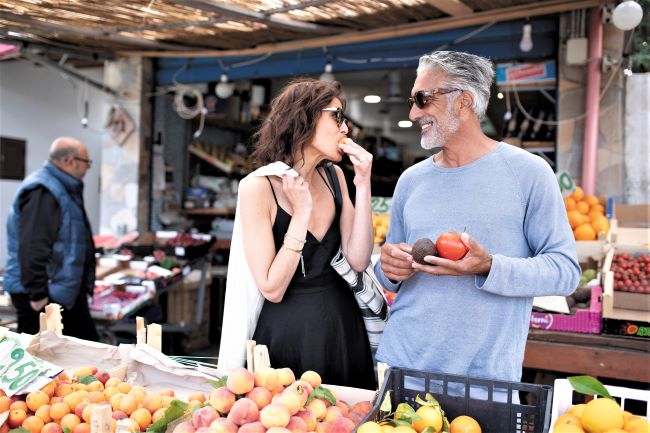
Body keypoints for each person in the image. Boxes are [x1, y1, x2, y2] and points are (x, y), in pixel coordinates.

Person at [374, 51, 580, 383]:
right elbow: (388, 272)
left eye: (422, 99)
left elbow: (565, 271)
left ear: (463, 102)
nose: (413, 113)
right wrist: (388, 268)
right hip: (403, 365)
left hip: (484, 379)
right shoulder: (410, 180)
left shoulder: (528, 173)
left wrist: (489, 266)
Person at [219, 78, 376, 389]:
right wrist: (300, 214)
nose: (346, 129)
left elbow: (358, 260)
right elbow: (272, 288)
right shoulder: (258, 187)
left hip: (343, 329)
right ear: (305, 117)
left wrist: (364, 183)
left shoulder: (335, 178)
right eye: (338, 116)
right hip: (287, 336)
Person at [5, 137, 99, 341]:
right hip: (45, 295)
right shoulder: (44, 190)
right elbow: (32, 247)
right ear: (70, 160)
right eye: (86, 162)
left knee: (81, 353)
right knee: (42, 362)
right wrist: (38, 295)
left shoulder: (63, 187)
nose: (87, 168)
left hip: (62, 291)